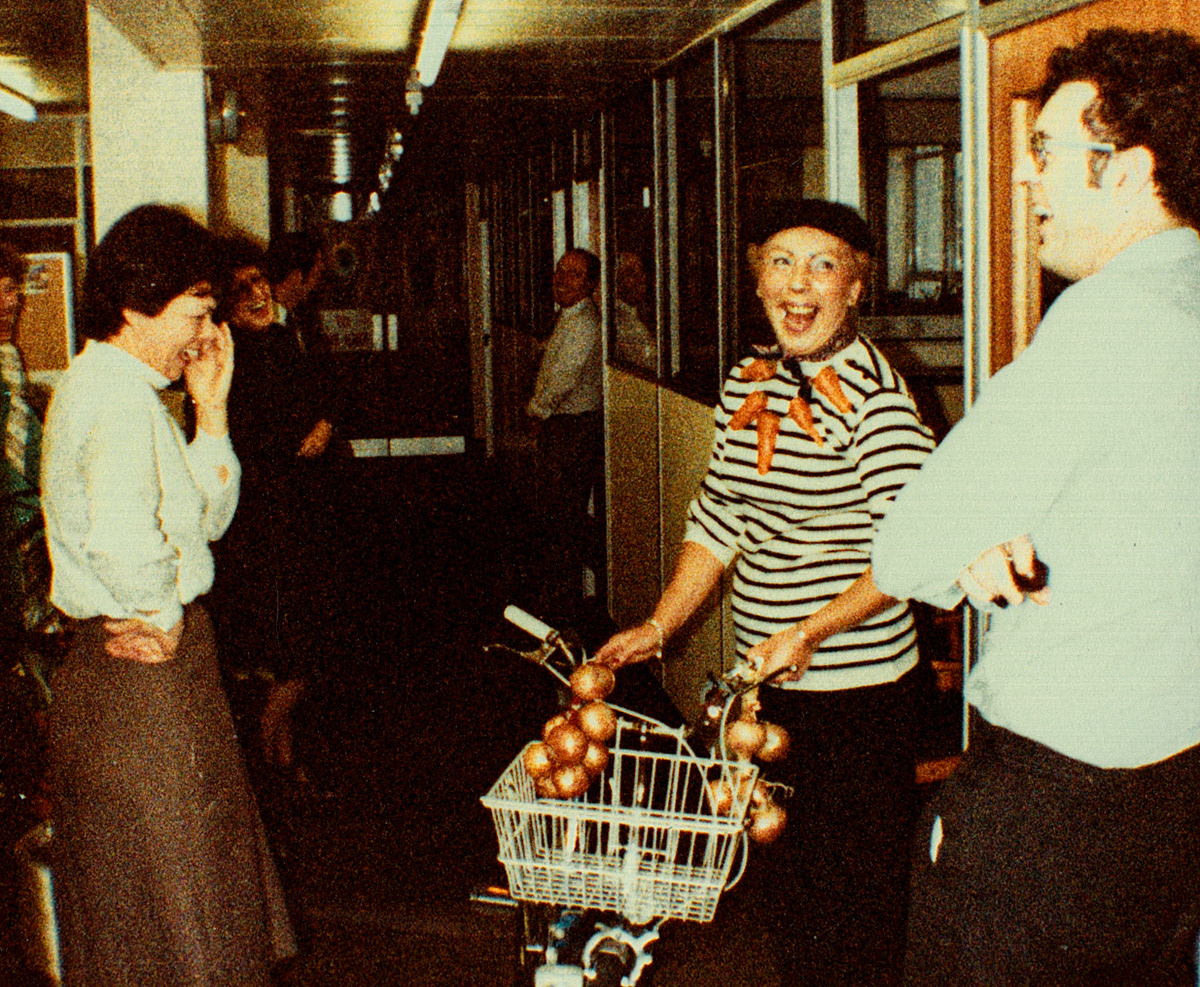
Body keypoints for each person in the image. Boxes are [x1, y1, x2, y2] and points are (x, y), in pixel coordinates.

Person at [870, 28, 1200, 987]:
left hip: (1060, 809)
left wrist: (973, 542)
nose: (1024, 178)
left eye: (1048, 153)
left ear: (1129, 170)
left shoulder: (1109, 317)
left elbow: (910, 545)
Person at [595, 200, 935, 986]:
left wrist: (812, 630)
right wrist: (660, 623)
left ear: (855, 286)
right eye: (781, 262)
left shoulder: (877, 404)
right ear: (758, 282)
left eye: (823, 264)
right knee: (785, 886)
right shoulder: (753, 381)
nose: (799, 282)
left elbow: (914, 553)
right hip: (770, 691)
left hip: (859, 695)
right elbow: (717, 519)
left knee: (853, 905)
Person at [42, 204, 295, 985]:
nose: (207, 330)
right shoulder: (114, 399)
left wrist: (211, 409)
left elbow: (202, 521)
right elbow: (126, 542)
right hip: (142, 681)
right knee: (183, 915)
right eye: (198, 309)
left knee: (166, 914)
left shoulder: (125, 391)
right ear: (134, 302)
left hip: (147, 681)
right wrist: (161, 614)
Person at [214, 238, 342, 777]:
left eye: (261, 281)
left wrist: (326, 424)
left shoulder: (284, 339)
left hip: (300, 505)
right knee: (290, 642)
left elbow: (324, 394)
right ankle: (269, 754)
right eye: (242, 288)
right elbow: (237, 440)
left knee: (299, 635)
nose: (258, 293)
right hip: (258, 515)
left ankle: (279, 756)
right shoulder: (223, 358)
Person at [525, 248, 604, 623]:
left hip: (573, 427)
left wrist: (536, 411)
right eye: (559, 270)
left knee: (562, 517)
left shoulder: (585, 323)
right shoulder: (569, 317)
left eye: (573, 273)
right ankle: (556, 597)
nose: (561, 278)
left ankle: (561, 608)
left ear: (590, 285)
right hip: (565, 425)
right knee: (556, 515)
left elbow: (564, 378)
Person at [265, 230, 327, 355]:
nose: (316, 284)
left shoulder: (301, 316)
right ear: (296, 277)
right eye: (316, 275)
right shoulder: (264, 321)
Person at [613, 250, 655, 368]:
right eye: (630, 274)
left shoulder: (642, 312)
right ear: (617, 281)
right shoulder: (620, 322)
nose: (640, 279)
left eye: (641, 271)